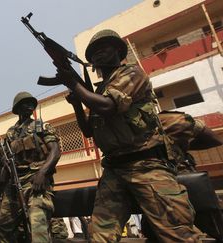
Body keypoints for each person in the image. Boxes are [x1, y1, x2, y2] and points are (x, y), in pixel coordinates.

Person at [57, 29, 202, 242]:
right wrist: (78, 104)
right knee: (100, 238)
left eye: (104, 48)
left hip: (146, 165)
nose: (98, 53)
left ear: (118, 50)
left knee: (177, 235)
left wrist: (74, 85)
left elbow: (108, 107)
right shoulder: (98, 92)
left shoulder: (132, 74)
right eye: (94, 51)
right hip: (114, 169)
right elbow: (89, 131)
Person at [0, 91, 61, 243]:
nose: (30, 106)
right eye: (26, 103)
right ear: (17, 108)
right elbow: (7, 156)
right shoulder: (11, 133)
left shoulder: (40, 126)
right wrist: (5, 165)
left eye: (32, 103)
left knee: (38, 225)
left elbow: (55, 151)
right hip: (15, 181)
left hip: (35, 178)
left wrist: (42, 173)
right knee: (2, 227)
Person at [159, 111, 223, 174]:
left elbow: (215, 140)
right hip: (177, 176)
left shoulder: (168, 119)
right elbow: (215, 140)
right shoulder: (171, 119)